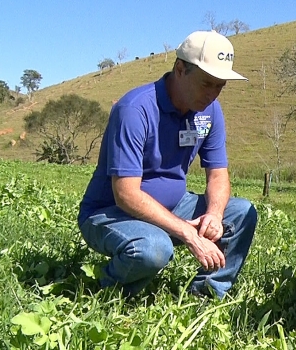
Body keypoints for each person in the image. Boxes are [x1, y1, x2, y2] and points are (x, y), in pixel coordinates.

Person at [77, 31, 257, 299]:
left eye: (220, 86)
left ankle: (206, 294)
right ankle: (109, 295)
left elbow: (218, 174)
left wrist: (215, 214)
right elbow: (125, 194)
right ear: (180, 69)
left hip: (173, 207)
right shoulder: (134, 110)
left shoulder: (210, 111)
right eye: (207, 83)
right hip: (111, 213)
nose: (213, 95)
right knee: (154, 248)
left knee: (241, 212)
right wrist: (188, 233)